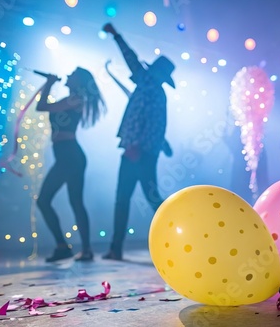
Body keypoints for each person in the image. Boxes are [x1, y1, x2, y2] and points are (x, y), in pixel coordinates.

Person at [102, 23, 175, 261]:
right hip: (142, 151)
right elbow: (155, 124)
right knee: (145, 198)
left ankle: (176, 235)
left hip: (138, 152)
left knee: (135, 198)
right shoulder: (153, 90)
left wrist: (117, 35)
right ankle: (117, 248)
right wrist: (159, 144)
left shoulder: (149, 87)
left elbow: (131, 59)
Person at [36, 67, 106, 262]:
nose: (68, 74)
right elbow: (44, 106)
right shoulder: (73, 99)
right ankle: (70, 247)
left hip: (70, 155)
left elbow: (41, 106)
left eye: (73, 74)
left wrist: (49, 83)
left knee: (50, 201)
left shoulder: (75, 99)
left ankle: (75, 248)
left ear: (79, 81)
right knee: (69, 202)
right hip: (67, 155)